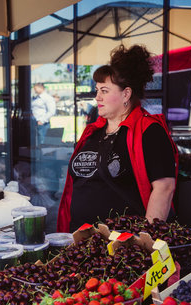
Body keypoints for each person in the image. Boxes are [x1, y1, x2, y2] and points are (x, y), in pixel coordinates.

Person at [57, 44, 178, 233]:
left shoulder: (150, 131)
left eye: (104, 91)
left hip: (122, 246)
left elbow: (164, 188)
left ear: (126, 94)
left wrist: (143, 242)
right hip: (80, 240)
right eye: (97, 90)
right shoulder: (93, 131)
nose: (97, 97)